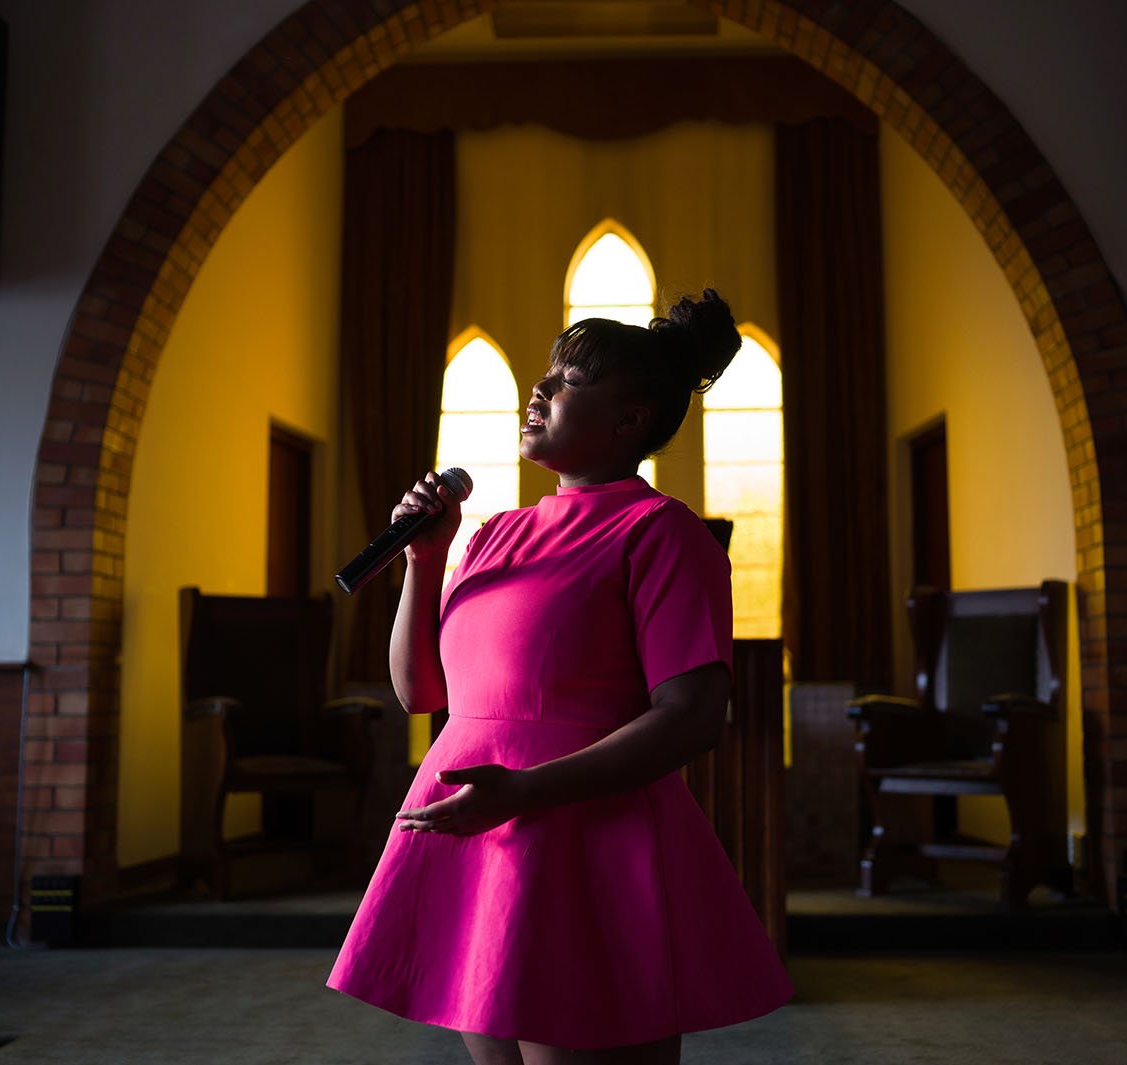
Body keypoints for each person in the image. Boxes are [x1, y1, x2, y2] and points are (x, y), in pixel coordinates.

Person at [326, 289, 793, 1064]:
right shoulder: (492, 535)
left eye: (569, 379)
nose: (540, 389)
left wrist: (525, 791)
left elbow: (691, 714)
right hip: (483, 837)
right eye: (546, 373)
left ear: (630, 420)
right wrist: (425, 559)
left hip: (585, 842)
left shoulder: (661, 533)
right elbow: (422, 694)